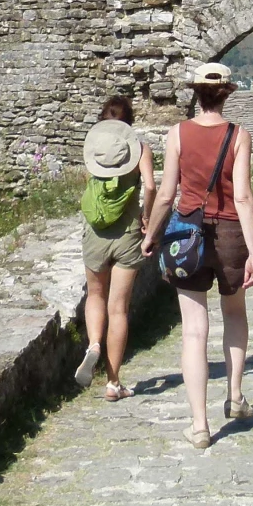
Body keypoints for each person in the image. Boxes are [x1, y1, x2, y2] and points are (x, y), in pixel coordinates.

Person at [141, 62, 253, 448]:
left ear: (194, 93)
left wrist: (152, 233)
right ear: (227, 93)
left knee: (193, 330)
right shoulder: (239, 135)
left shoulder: (176, 133)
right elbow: (241, 195)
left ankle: (199, 425)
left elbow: (165, 193)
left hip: (186, 233)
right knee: (235, 314)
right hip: (229, 234)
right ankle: (235, 395)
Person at [75, 95, 155, 401]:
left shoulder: (96, 149)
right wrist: (147, 216)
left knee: (95, 293)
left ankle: (94, 343)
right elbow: (149, 186)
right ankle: (113, 382)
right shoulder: (141, 151)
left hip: (96, 232)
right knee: (118, 307)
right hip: (128, 234)